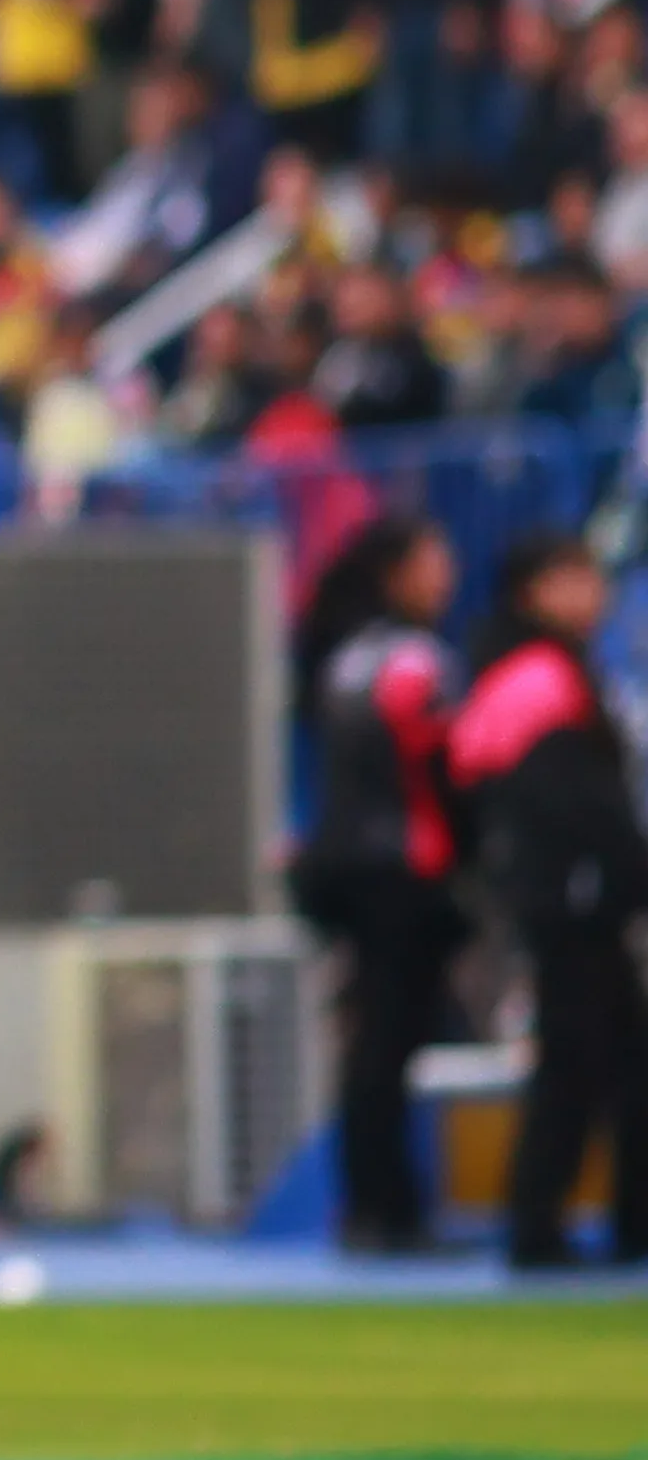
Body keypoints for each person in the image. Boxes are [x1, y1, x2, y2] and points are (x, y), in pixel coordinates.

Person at [447, 534, 648, 1271]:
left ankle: (604, 1220)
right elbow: (581, 802)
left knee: (615, 1059)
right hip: (574, 900)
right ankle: (540, 1226)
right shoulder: (544, 678)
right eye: (578, 578)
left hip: (553, 896)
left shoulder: (506, 672)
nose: (595, 594)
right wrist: (623, 871)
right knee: (578, 1063)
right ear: (539, 588)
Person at [288, 514, 466, 1256]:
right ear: (398, 574)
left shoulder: (345, 661)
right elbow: (436, 778)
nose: (446, 575)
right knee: (390, 1046)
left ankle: (368, 1206)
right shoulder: (415, 664)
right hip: (402, 873)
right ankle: (393, 1212)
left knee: (368, 1047)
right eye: (434, 560)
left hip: (341, 870)